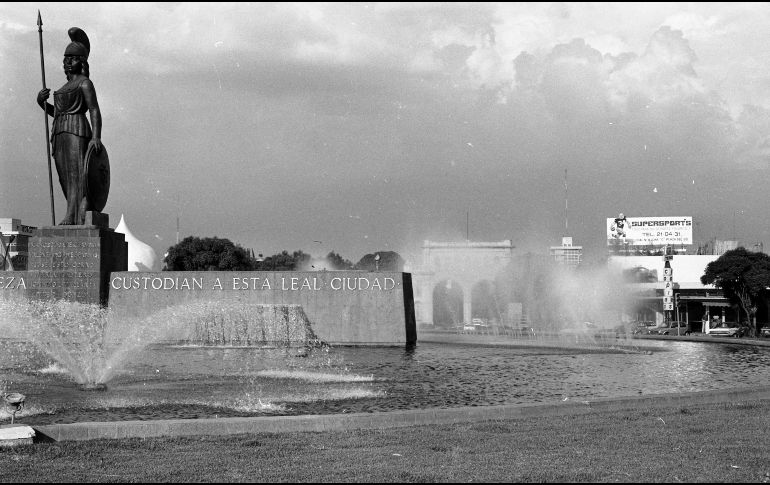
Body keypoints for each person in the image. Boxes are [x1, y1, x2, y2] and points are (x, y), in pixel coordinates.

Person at [36, 27, 102, 225]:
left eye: (73, 59)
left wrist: (96, 137)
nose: (68, 62)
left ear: (81, 62)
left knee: (77, 174)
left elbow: (94, 110)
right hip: (59, 132)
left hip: (77, 130)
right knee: (64, 177)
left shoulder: (85, 84)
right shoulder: (64, 88)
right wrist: (41, 103)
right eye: (66, 59)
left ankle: (75, 214)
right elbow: (57, 113)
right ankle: (71, 212)